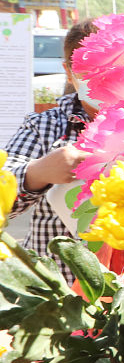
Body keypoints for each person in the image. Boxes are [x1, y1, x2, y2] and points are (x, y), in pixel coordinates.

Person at [3, 19, 98, 280]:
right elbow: (5, 195)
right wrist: (37, 172)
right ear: (69, 72)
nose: (101, 79)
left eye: (113, 68)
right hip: (59, 289)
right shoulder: (44, 126)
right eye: (88, 70)